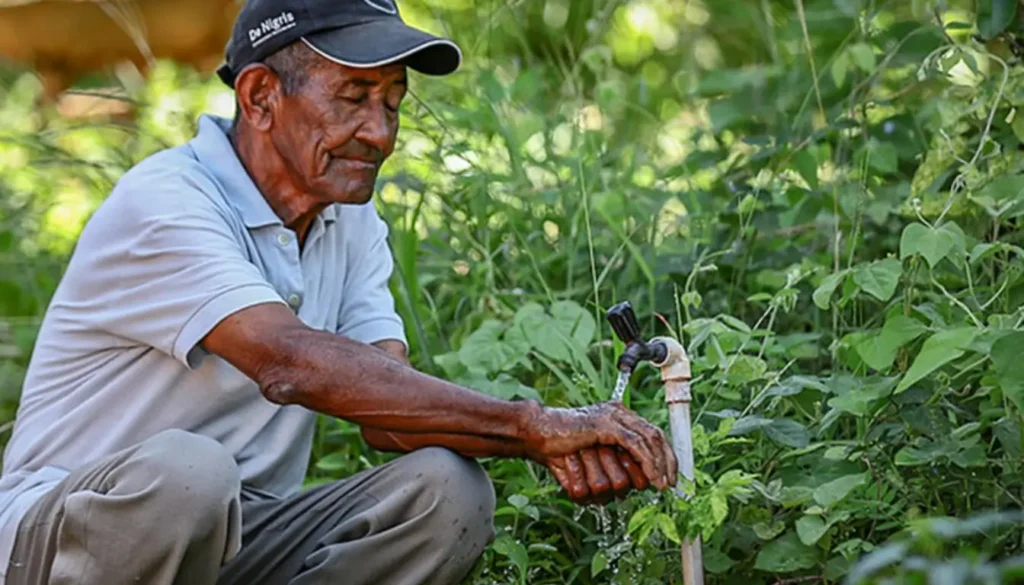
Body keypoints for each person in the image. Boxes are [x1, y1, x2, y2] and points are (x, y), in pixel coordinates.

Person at [0, 0, 678, 584]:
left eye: (392, 102)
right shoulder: (168, 201)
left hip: (234, 534)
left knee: (447, 488)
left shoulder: (347, 218)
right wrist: (533, 426)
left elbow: (389, 411)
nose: (380, 134)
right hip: (64, 542)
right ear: (261, 96)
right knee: (190, 472)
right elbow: (287, 362)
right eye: (352, 98)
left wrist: (557, 440)